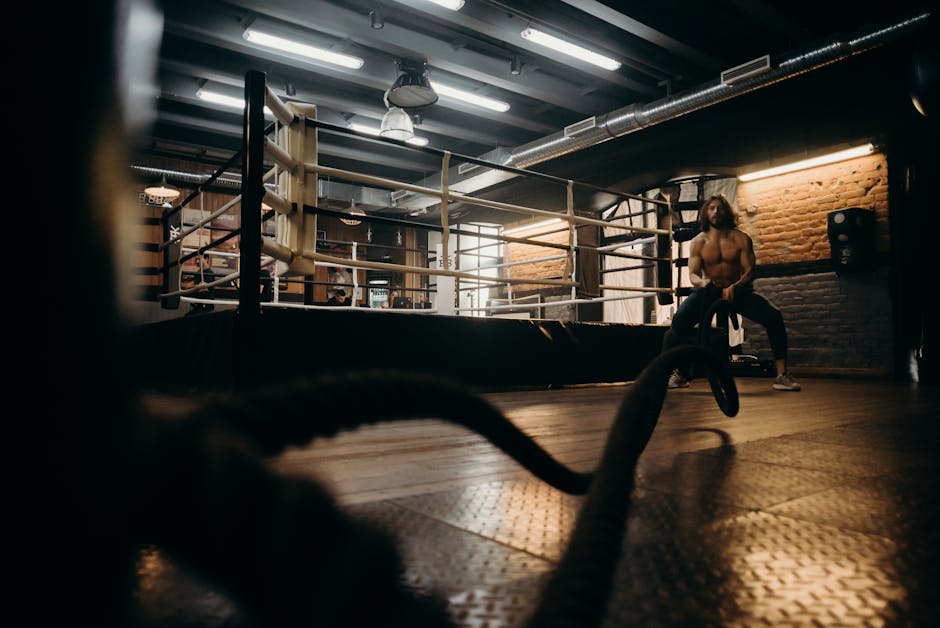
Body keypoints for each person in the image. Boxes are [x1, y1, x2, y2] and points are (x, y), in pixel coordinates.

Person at [663, 194, 800, 391]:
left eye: (720, 208)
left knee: (774, 316)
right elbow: (692, 274)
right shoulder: (698, 242)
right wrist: (702, 282)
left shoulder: (741, 239)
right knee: (678, 322)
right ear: (706, 213)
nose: (716, 212)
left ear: (726, 212)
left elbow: (750, 271)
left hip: (737, 291)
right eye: (712, 208)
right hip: (708, 291)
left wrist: (736, 285)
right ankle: (677, 374)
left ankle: (782, 375)